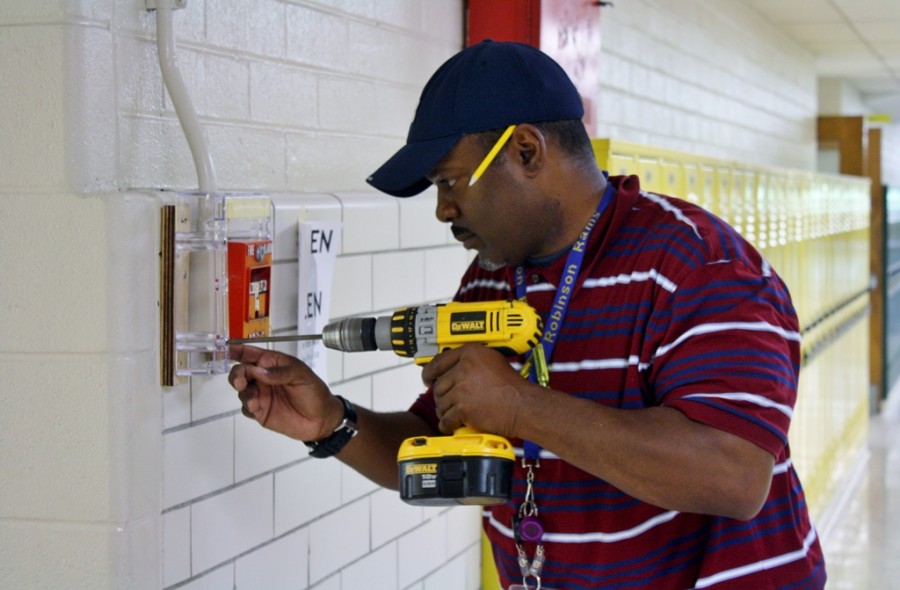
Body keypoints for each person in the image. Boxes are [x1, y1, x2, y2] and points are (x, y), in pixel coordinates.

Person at [229, 40, 826, 589]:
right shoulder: (491, 279)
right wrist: (332, 422)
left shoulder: (695, 265)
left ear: (525, 150)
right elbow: (443, 444)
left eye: (451, 181)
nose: (442, 210)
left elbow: (733, 475)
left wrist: (520, 406)